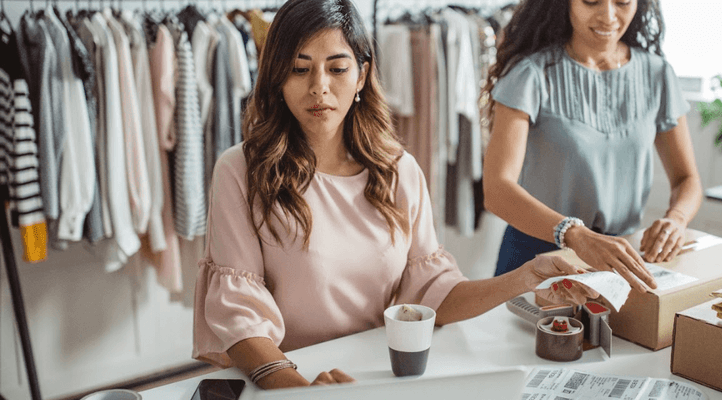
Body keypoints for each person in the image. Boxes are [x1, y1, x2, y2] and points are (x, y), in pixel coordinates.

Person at [192, 0, 596, 390]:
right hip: (291, 377)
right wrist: (299, 389)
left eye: (336, 69)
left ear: (362, 76)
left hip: (382, 374)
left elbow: (435, 293)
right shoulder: (241, 171)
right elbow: (240, 315)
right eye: (300, 70)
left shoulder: (397, 169)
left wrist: (526, 276)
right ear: (277, 76)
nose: (319, 87)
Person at [483, 0, 703, 292]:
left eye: (623, 1)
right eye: (591, 0)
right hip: (534, 256)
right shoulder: (530, 74)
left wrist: (676, 220)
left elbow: (687, 179)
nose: (609, 15)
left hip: (619, 258)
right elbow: (497, 191)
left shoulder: (657, 74)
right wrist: (574, 234)